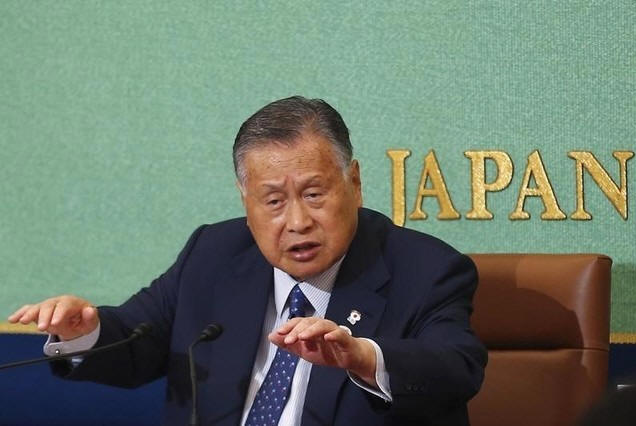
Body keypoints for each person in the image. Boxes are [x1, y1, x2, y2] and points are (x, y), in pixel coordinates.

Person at [8, 96, 487, 425]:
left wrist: (362, 357)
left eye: (314, 194)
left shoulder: (425, 269)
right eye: (273, 201)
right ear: (245, 199)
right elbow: (136, 339)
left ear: (355, 183)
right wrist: (83, 332)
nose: (297, 221)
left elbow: (456, 367)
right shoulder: (214, 254)